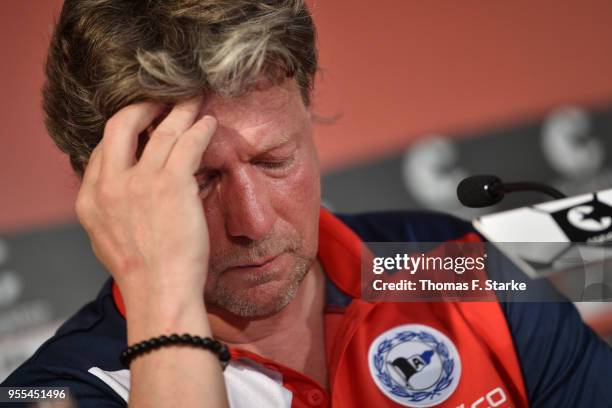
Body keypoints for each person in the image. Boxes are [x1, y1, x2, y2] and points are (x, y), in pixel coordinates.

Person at [2, 1, 612, 407]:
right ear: (106, 188)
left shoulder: (445, 262)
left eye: (275, 161)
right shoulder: (59, 390)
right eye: (198, 181)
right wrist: (164, 308)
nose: (254, 222)